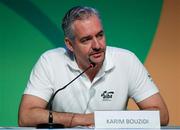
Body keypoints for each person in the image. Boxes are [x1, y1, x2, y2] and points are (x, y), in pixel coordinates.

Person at [18, 6, 169, 127]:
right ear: (70, 44)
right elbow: (26, 116)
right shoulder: (50, 61)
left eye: (100, 35)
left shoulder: (127, 60)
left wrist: (107, 120)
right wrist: (83, 120)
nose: (97, 45)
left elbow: (161, 115)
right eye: (86, 40)